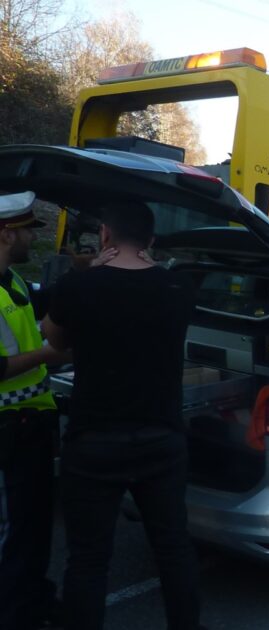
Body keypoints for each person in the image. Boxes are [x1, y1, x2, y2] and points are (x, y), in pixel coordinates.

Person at [42, 202, 202, 630]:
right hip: (160, 439)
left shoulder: (77, 288)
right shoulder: (178, 290)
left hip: (93, 441)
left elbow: (53, 340)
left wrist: (90, 268)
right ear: (151, 242)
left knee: (89, 559)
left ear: (105, 236)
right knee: (173, 548)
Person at [0, 192, 66, 630]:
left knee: (35, 519)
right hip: (8, 427)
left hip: (31, 422)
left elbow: (43, 303)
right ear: (7, 233)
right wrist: (51, 353)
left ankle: (34, 600)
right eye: (26, 230)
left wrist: (83, 273)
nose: (29, 238)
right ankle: (14, 614)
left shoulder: (14, 281)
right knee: (16, 525)